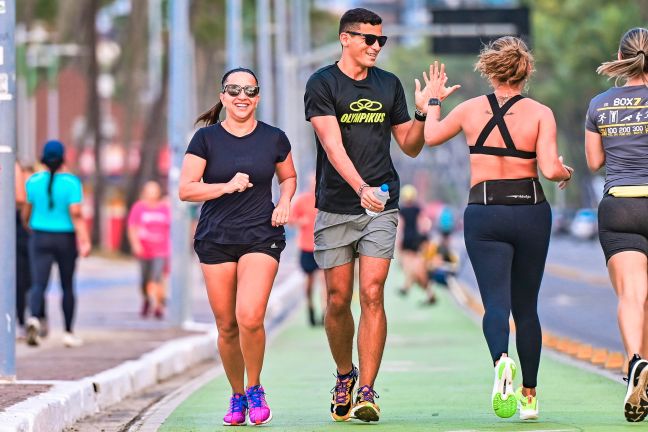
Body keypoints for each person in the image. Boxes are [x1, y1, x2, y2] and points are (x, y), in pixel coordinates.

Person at [422, 37, 573, 420]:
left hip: (484, 211)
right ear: (526, 72)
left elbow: (430, 136)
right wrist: (566, 172)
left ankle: (501, 362)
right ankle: (529, 396)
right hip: (530, 210)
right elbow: (551, 170)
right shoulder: (541, 113)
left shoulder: (470, 110)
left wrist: (433, 103)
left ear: (489, 71)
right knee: (527, 309)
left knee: (495, 303)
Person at [304, 7, 441, 423]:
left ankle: (367, 390)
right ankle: (345, 376)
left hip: (383, 203)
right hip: (336, 205)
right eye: (369, 39)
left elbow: (411, 146)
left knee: (373, 293)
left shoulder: (389, 85)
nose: (376, 47)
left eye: (381, 41)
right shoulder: (322, 83)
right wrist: (359, 189)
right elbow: (332, 146)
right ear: (345, 38)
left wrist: (422, 110)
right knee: (337, 298)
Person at [179, 67, 296, 426]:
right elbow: (186, 189)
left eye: (249, 91)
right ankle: (236, 395)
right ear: (223, 96)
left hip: (261, 235)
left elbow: (288, 176)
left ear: (257, 97)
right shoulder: (206, 139)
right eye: (234, 90)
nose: (241, 96)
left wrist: (285, 201)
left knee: (249, 316)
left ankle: (255, 386)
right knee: (227, 325)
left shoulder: (274, 138)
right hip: (215, 238)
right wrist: (226, 186)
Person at [584, 27, 648, 422]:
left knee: (632, 296)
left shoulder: (599, 104)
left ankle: (636, 363)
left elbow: (593, 163)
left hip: (620, 206)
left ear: (621, 57)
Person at [23, 140, 91, 348]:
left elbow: (27, 211)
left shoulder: (33, 181)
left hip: (40, 235)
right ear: (63, 158)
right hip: (65, 238)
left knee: (38, 284)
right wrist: (85, 240)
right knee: (67, 285)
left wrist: (30, 226)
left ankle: (35, 318)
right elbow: (76, 214)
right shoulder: (71, 183)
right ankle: (68, 332)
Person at [127, 180, 171, 319]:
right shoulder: (138, 207)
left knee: (157, 277)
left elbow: (173, 225)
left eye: (155, 190)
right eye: (150, 190)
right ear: (144, 192)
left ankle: (158, 306)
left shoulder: (165, 208)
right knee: (145, 280)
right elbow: (132, 227)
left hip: (161, 250)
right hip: (144, 249)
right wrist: (135, 244)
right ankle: (146, 299)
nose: (152, 193)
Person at [289, 174, 324, 326]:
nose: (315, 185)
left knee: (325, 282)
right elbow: (290, 219)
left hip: (323, 247)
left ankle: (325, 313)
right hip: (306, 247)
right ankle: (310, 308)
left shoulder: (326, 200)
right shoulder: (302, 200)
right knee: (309, 283)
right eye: (313, 182)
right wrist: (299, 222)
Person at [397, 184, 436, 303]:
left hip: (407, 241)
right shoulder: (417, 209)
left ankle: (407, 287)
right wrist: (425, 238)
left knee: (411, 268)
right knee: (416, 267)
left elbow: (400, 227)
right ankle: (410, 287)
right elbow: (424, 224)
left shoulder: (402, 210)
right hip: (417, 240)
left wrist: (398, 244)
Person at [15, 162, 31, 340]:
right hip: (18, 231)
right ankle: (22, 320)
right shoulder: (12, 165)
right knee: (22, 280)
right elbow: (20, 197)